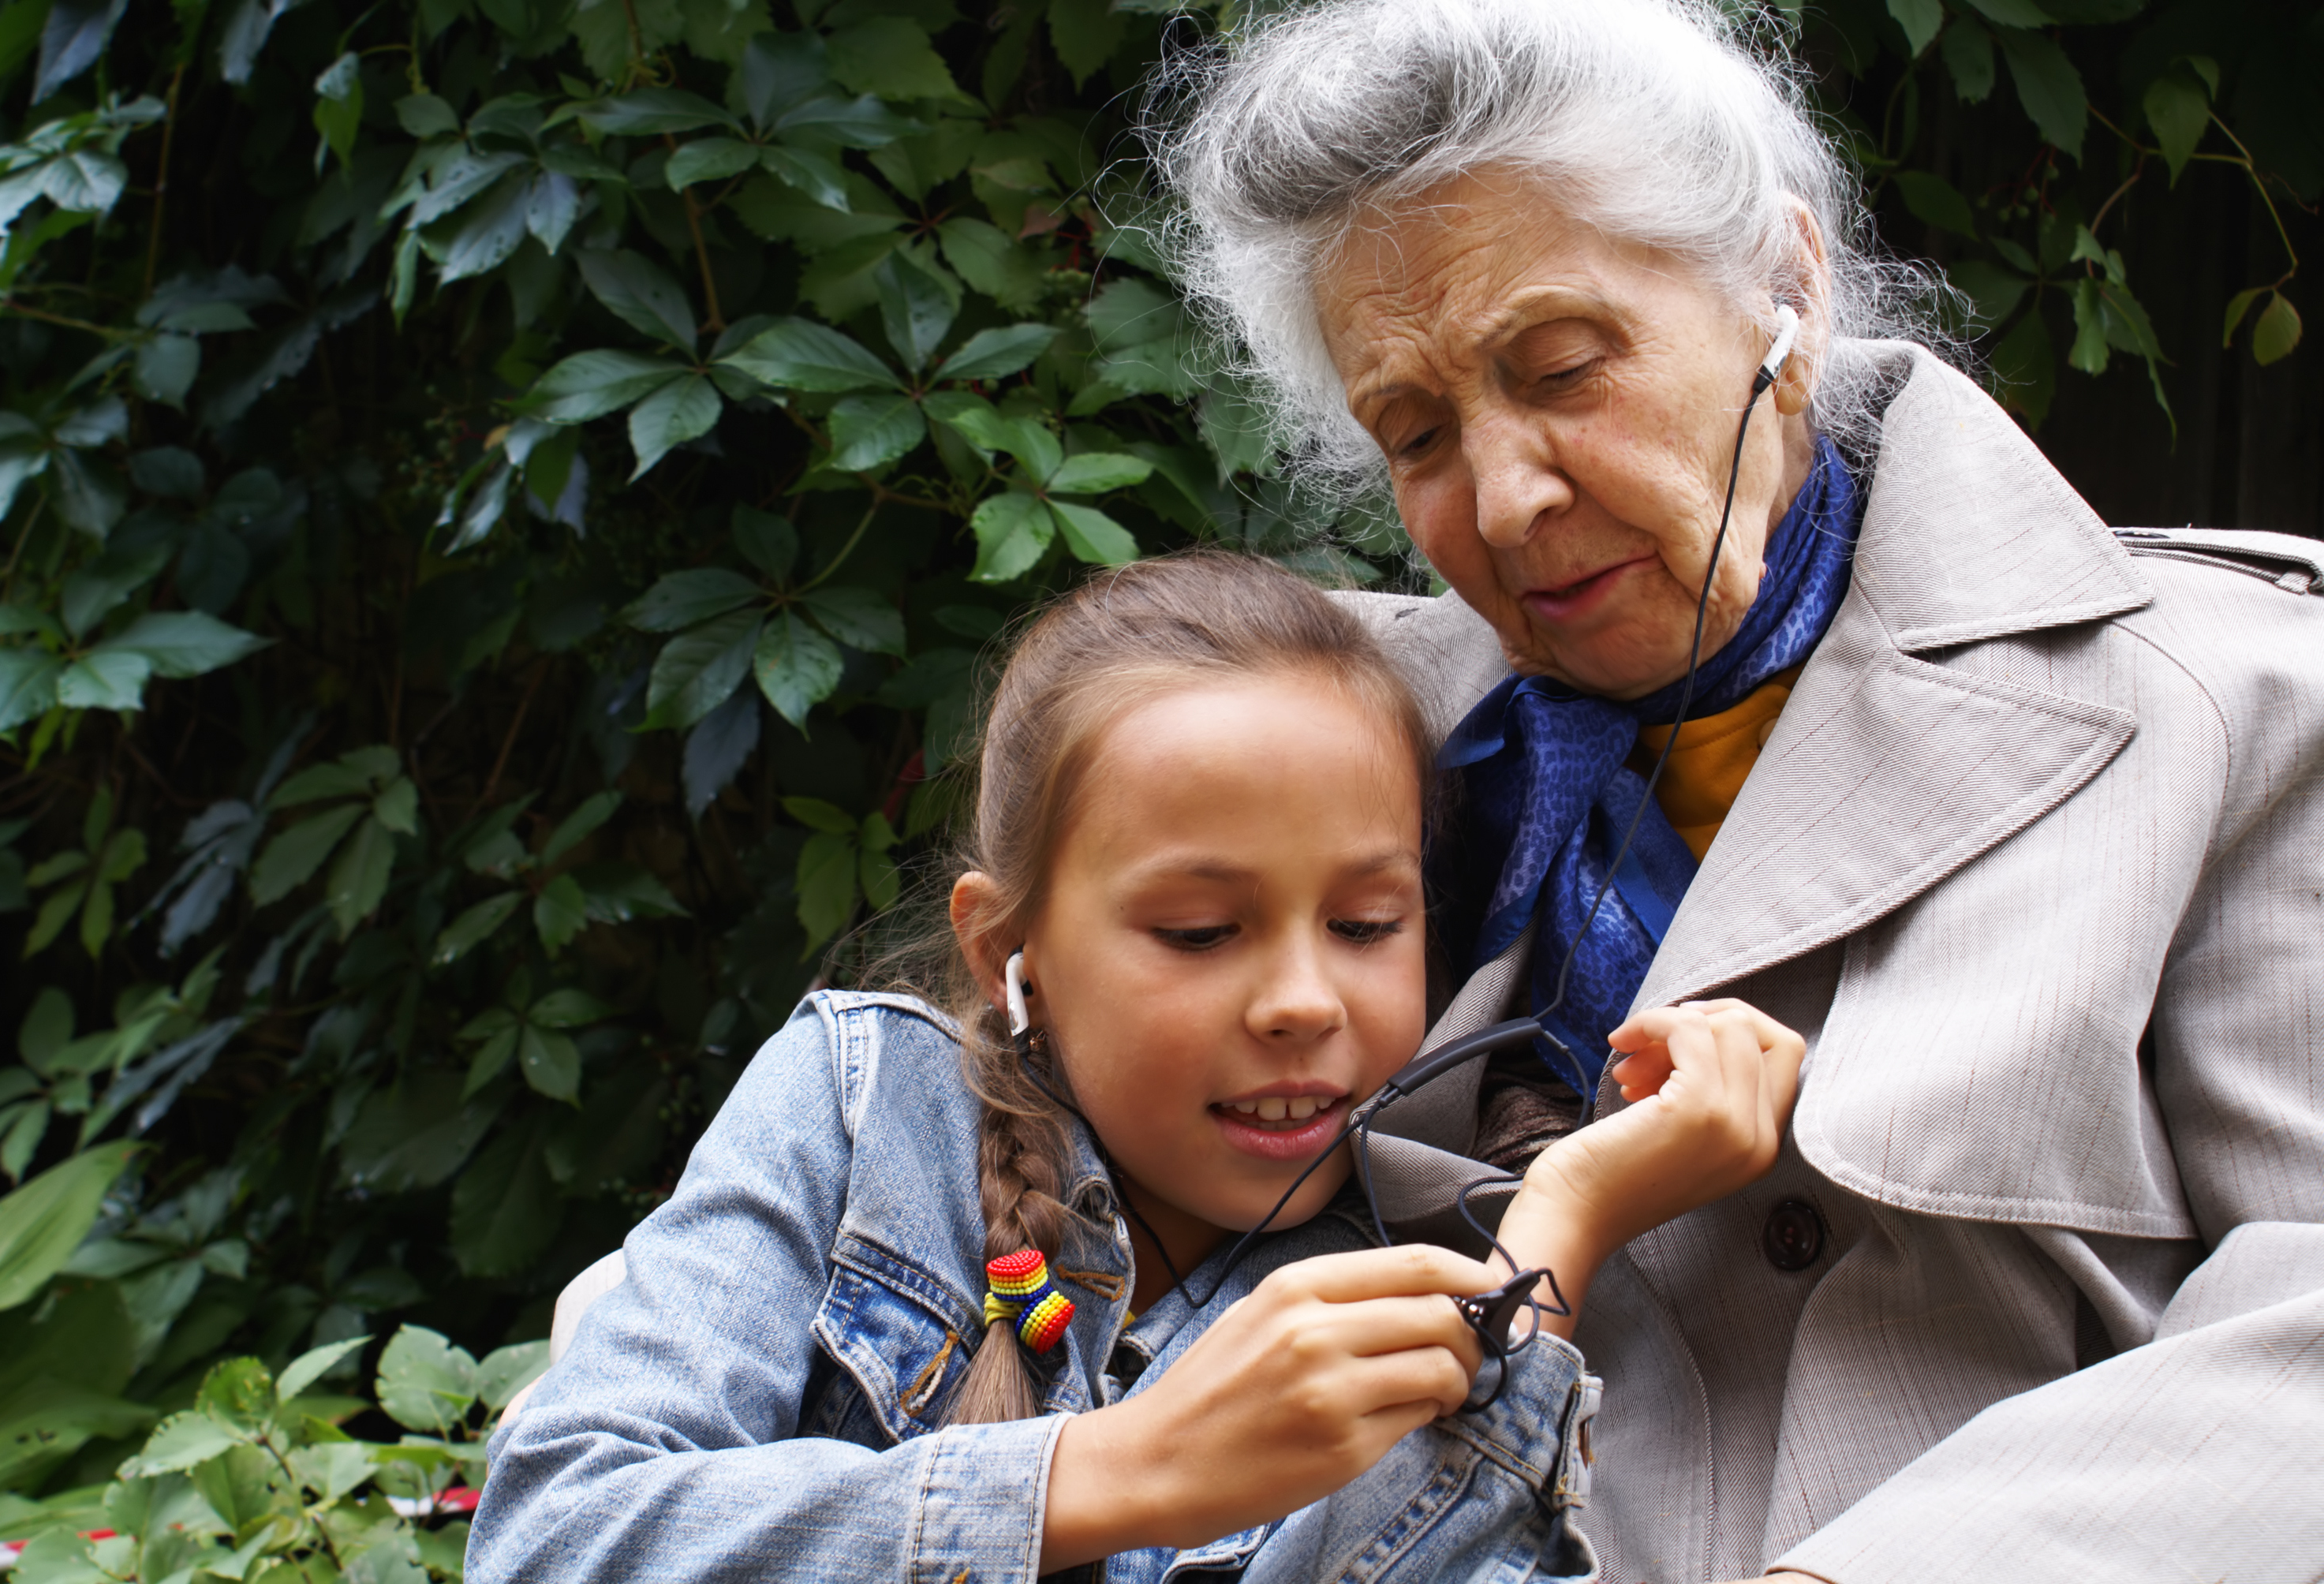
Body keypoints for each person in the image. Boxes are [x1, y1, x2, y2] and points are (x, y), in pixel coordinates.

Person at [1153, 2, 2324, 1581]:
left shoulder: (2227, 704)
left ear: (1787, 287)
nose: (1505, 499)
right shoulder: (1307, 752)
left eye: (1563, 366)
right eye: (1416, 434)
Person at [466, 553, 1807, 1582]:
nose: (1300, 1002)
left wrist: (1558, 1233)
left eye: (1365, 925)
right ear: (1012, 946)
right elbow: (551, 1531)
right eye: (1200, 932)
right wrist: (1120, 1471)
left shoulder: (1390, 1263)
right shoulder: (868, 1107)